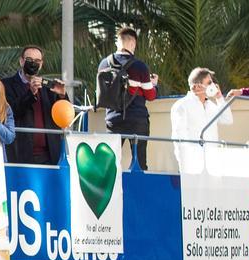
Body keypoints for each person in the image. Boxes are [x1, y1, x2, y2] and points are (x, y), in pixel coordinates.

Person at [97, 27, 158, 170]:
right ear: (133, 44)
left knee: (110, 163)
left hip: (113, 119)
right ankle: (138, 190)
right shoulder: (139, 66)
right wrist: (154, 84)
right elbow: (150, 95)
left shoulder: (104, 64)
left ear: (118, 43)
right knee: (139, 162)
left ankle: (112, 190)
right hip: (137, 120)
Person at [2, 46, 67, 164]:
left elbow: (64, 116)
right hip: (20, 154)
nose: (33, 64)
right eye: (29, 60)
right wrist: (30, 93)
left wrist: (62, 96)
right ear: (21, 61)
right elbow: (10, 112)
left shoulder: (48, 87)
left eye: (37, 61)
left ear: (41, 64)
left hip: (49, 155)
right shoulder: (6, 85)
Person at [170, 67, 232, 173]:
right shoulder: (181, 106)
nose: (213, 85)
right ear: (197, 86)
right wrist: (185, 166)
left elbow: (227, 120)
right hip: (193, 166)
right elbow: (179, 137)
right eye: (209, 82)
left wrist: (219, 98)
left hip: (213, 164)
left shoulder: (211, 106)